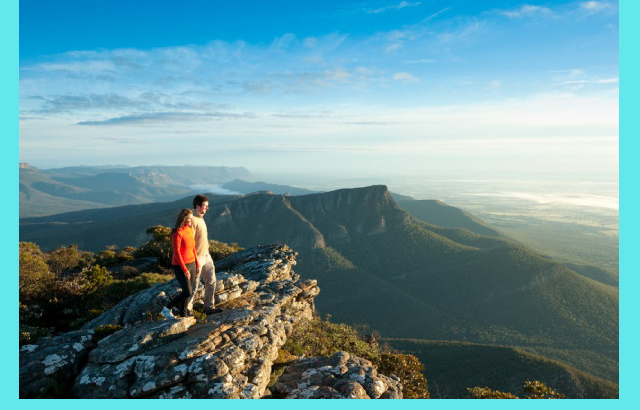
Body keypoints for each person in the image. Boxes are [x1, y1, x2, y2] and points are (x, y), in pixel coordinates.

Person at [187, 194, 223, 315]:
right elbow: (189, 242)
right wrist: (194, 260)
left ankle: (208, 307)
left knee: (212, 280)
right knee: (194, 285)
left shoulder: (200, 218)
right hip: (197, 257)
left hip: (206, 255)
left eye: (207, 206)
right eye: (204, 206)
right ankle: (187, 310)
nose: (207, 208)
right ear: (197, 206)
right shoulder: (192, 220)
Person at [162, 208, 200, 319]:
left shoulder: (189, 229)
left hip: (192, 263)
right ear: (183, 219)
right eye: (189, 219)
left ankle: (183, 315)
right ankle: (167, 309)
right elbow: (177, 252)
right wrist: (184, 269)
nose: (191, 221)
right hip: (180, 265)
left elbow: (193, 248)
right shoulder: (177, 233)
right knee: (187, 292)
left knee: (188, 291)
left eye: (191, 219)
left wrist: (197, 264)